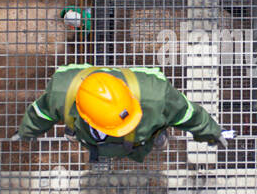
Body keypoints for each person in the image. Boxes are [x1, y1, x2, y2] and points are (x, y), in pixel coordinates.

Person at [17, 64, 234, 162]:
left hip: (142, 139)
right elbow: (41, 113)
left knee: (150, 133)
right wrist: (26, 132)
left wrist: (212, 132)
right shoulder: (61, 93)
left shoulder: (156, 96)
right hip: (90, 138)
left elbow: (188, 114)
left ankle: (157, 134)